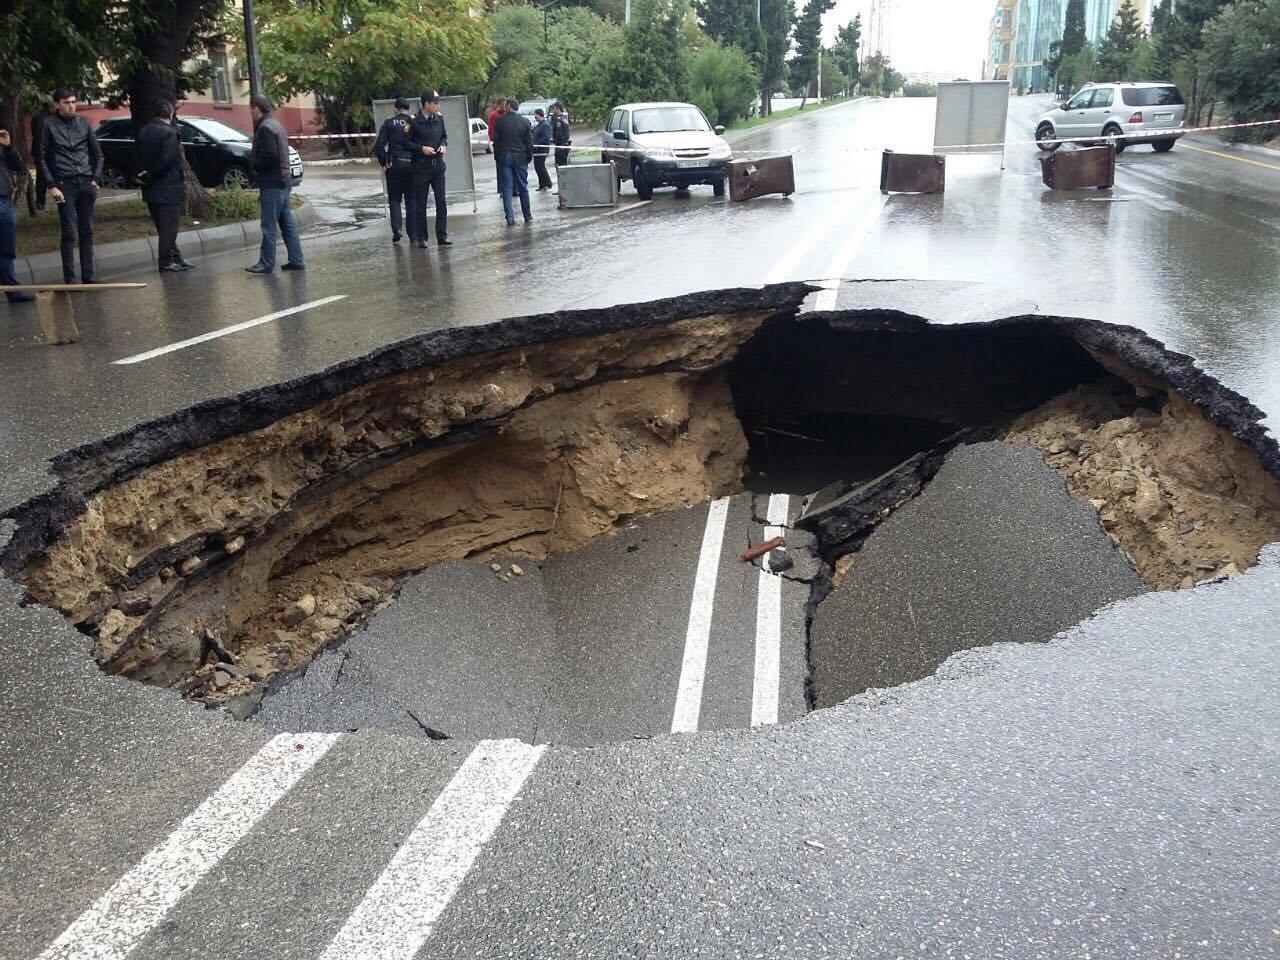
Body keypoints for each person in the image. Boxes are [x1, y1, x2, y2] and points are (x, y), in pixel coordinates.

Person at [37, 87, 102, 284]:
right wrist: (51, 185)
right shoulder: (47, 124)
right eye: (66, 102)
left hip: (86, 182)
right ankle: (70, 279)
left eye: (74, 102)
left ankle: (88, 277)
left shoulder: (82, 123)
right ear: (57, 104)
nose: (71, 106)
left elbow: (98, 154)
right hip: (65, 183)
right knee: (69, 232)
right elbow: (40, 157)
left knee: (87, 231)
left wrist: (95, 179)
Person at [245, 94, 304, 274]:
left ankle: (266, 262)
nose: (250, 113)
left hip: (272, 182)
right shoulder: (276, 124)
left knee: (268, 225)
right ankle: (296, 259)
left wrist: (256, 166)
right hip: (284, 181)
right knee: (287, 223)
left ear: (256, 108)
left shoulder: (265, 128)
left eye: (251, 110)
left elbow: (270, 155)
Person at [135, 101, 193, 273]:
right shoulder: (169, 133)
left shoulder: (143, 131)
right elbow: (167, 161)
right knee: (169, 227)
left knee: (163, 225)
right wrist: (153, 173)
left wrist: (145, 175)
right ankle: (166, 261)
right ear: (170, 114)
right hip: (168, 186)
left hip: (150, 187)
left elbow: (137, 156)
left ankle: (176, 256)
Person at [405, 89, 451, 248]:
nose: (438, 106)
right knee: (421, 204)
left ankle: (442, 236)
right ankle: (422, 237)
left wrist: (443, 145)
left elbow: (444, 136)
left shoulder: (439, 119)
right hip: (421, 167)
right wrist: (421, 148)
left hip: (438, 166)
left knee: (441, 202)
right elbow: (406, 143)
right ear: (426, 104)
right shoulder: (414, 121)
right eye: (435, 103)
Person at [373, 97, 417, 243]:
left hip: (395, 165)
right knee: (411, 200)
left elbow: (379, 146)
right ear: (408, 109)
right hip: (411, 165)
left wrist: (385, 163)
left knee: (395, 199)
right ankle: (413, 234)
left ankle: (397, 229)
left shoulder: (389, 123)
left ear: (396, 109)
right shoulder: (413, 123)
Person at [0, 126, 36, 303]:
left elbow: (19, 167)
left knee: (6, 249)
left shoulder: (2, 145)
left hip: (3, 203)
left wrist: (8, 147)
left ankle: (13, 291)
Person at [494, 97, 534, 226]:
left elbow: (496, 143)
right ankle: (527, 215)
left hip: (505, 157)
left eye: (506, 105)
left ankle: (510, 217)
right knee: (523, 186)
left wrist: (498, 157)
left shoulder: (500, 122)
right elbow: (529, 142)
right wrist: (529, 156)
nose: (504, 107)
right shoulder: (524, 122)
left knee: (507, 188)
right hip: (521, 157)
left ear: (509, 106)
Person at [30, 104, 52, 210]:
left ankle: (40, 201)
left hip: (38, 150)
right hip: (50, 150)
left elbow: (34, 132)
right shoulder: (52, 118)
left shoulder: (36, 117)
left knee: (41, 177)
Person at [531, 109, 553, 191]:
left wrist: (537, 145)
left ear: (541, 115)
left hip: (542, 150)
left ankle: (548, 183)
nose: (535, 116)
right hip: (536, 151)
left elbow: (546, 138)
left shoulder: (545, 125)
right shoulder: (538, 126)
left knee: (541, 167)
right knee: (538, 167)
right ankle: (542, 184)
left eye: (536, 114)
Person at [488, 99, 506, 195]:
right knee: (500, 167)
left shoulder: (506, 115)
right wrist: (495, 141)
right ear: (499, 105)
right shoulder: (494, 115)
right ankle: (501, 189)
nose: (504, 106)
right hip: (499, 145)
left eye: (505, 104)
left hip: (507, 144)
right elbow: (491, 130)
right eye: (503, 104)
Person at [550, 102, 572, 169]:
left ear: (558, 109)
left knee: (560, 168)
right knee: (563, 167)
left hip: (560, 148)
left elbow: (558, 135)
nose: (552, 111)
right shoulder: (564, 118)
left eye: (553, 109)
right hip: (564, 146)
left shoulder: (559, 121)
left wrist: (555, 142)